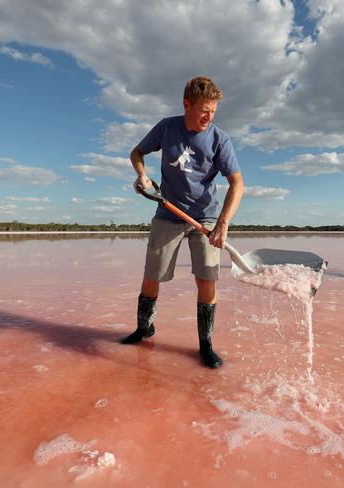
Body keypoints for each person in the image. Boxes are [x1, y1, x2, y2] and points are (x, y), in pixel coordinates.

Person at [121, 76, 244, 369]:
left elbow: (237, 183)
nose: (208, 117)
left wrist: (223, 222)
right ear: (186, 104)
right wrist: (142, 175)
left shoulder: (219, 139)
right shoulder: (167, 127)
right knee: (153, 275)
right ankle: (144, 328)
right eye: (204, 110)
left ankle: (206, 344)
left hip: (206, 216)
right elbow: (136, 152)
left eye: (213, 111)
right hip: (168, 212)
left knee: (207, 278)